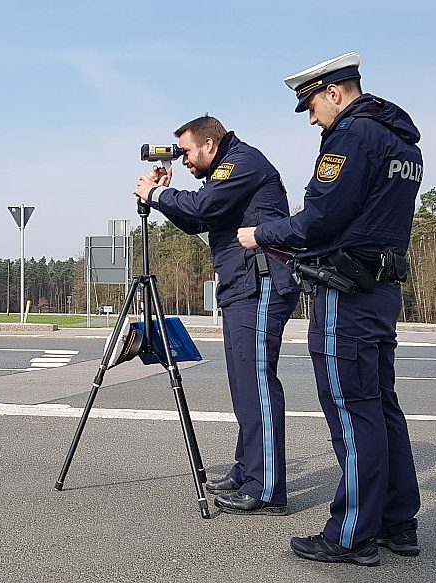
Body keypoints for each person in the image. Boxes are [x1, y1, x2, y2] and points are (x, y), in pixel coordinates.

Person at [237, 52, 422, 567]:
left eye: (314, 106)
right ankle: (397, 521)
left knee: (352, 410)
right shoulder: (402, 141)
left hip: (349, 289)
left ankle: (350, 534)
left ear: (335, 92)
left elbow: (320, 218)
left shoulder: (352, 136)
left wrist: (260, 235)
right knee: (382, 406)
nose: (314, 118)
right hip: (382, 288)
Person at [134, 116, 300, 515]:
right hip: (242, 287)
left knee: (256, 384)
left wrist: (158, 195)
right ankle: (248, 471)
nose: (185, 160)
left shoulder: (241, 163)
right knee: (245, 385)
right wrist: (162, 195)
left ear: (210, 144)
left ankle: (267, 488)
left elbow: (204, 205)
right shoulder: (224, 172)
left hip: (259, 286)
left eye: (187, 151)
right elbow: (197, 220)